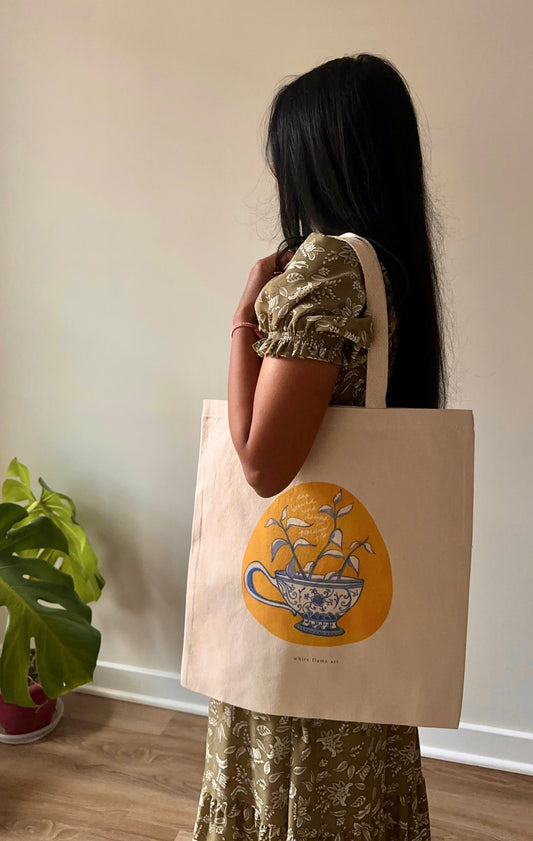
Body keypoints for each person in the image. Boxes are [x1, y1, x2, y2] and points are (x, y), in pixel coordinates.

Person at [192, 52, 446, 841]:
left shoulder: (327, 266)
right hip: (358, 597)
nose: (274, 171)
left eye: (282, 152)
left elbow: (263, 464)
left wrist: (244, 315)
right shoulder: (390, 266)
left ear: (315, 154)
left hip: (299, 598)